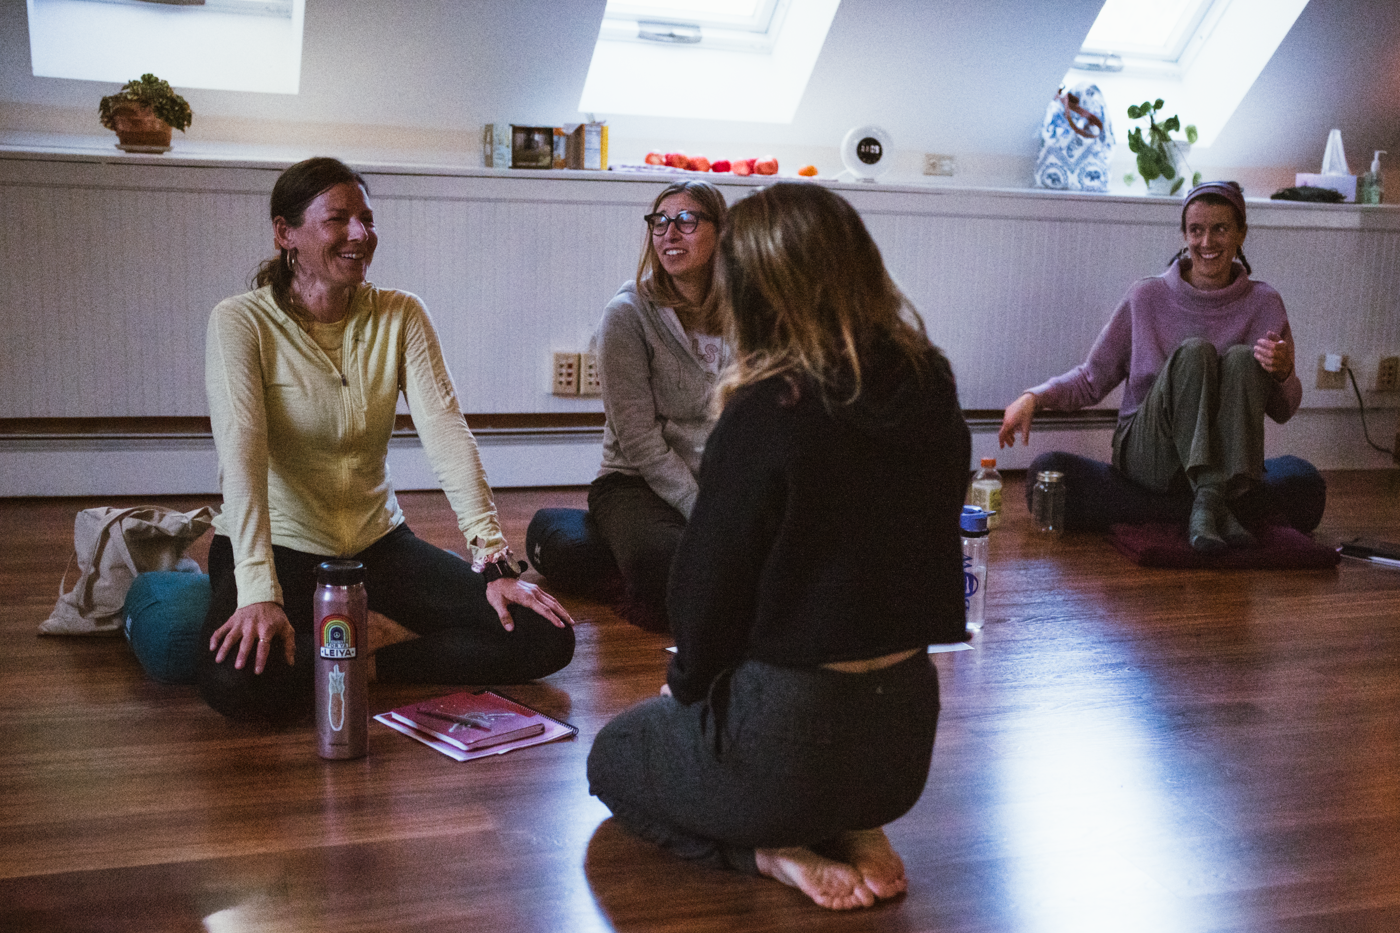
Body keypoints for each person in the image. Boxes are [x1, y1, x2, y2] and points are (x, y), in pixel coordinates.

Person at [587, 183, 969, 910]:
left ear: (760, 284)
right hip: (903, 746)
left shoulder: (769, 407)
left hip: (791, 740)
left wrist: (690, 691)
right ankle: (857, 828)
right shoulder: (931, 380)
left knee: (614, 757)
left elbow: (703, 593)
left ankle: (768, 850)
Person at [198, 157, 574, 722]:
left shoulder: (401, 314)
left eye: (367, 219)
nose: (360, 234)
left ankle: (364, 651)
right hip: (279, 545)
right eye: (338, 219)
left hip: (376, 546)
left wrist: (492, 559)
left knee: (547, 637)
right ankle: (368, 640)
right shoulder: (240, 321)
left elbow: (446, 430)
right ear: (285, 234)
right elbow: (242, 454)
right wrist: (257, 591)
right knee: (235, 685)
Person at [999, 181, 1301, 552]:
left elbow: (1284, 411)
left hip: (1225, 452)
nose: (1207, 242)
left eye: (1220, 229)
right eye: (1196, 230)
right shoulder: (1147, 295)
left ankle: (1207, 501)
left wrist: (1283, 372)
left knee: (1242, 358)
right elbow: (1092, 379)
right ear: (1184, 235)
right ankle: (1213, 500)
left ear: (1241, 233)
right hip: (1151, 453)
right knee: (1194, 353)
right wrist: (1034, 397)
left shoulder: (1264, 302)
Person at [588, 180, 729, 631]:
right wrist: (704, 511)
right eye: (660, 222)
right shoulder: (627, 314)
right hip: (636, 482)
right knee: (668, 565)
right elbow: (638, 438)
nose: (670, 233)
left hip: (720, 480)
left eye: (687, 220)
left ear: (720, 232)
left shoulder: (747, 309)